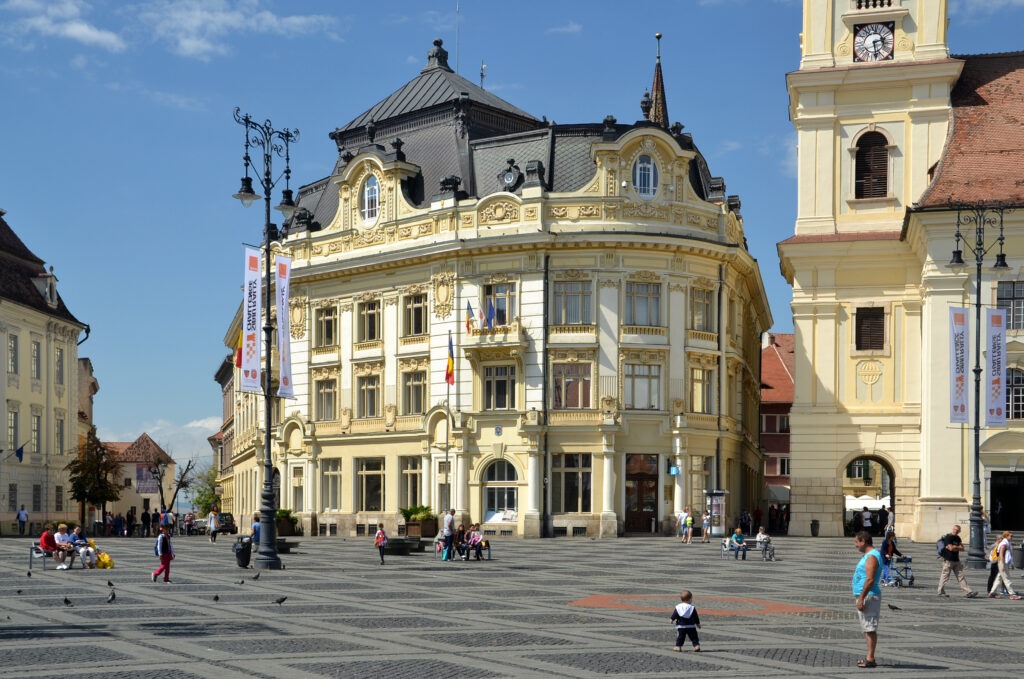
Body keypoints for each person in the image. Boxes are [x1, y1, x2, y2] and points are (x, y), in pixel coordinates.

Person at [852, 531, 881, 669]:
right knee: (868, 628)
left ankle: (870, 659)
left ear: (863, 541)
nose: (855, 545)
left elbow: (870, 580)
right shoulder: (869, 555)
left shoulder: (871, 557)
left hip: (869, 595)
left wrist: (861, 598)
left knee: (869, 628)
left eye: (856, 542)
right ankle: (869, 657)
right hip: (867, 595)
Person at [937, 524, 978, 598]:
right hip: (948, 560)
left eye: (957, 530)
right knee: (945, 576)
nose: (955, 531)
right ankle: (940, 591)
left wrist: (955, 547)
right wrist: (956, 547)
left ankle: (968, 592)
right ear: (953, 529)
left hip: (956, 560)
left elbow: (962, 548)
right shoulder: (948, 537)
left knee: (961, 576)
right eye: (954, 529)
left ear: (959, 531)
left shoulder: (958, 538)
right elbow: (951, 548)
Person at [988, 530, 1021, 599]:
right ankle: (1012, 594)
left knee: (998, 578)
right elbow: (1001, 554)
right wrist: (1002, 564)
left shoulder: (1007, 543)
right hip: (1002, 562)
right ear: (1006, 536)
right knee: (1006, 578)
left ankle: (992, 592)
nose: (1012, 537)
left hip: (1005, 562)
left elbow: (1008, 555)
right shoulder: (1004, 544)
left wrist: (1010, 563)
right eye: (1011, 536)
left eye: (1012, 536)